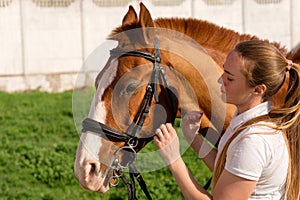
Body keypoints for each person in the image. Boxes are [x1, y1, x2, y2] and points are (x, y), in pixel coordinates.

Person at [154, 40, 300, 200]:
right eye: (224, 71)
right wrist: (193, 139)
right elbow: (228, 168)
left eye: (230, 79)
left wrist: (174, 160)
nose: (220, 80)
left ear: (258, 89)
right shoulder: (247, 119)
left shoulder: (254, 141)